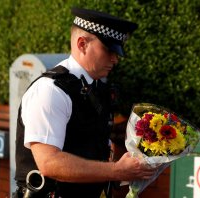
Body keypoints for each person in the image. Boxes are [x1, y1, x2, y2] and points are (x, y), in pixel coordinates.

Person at [14, 7, 156, 198]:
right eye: (108, 50)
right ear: (82, 44)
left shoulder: (96, 88)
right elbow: (50, 163)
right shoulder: (51, 90)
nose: (115, 59)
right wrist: (117, 170)